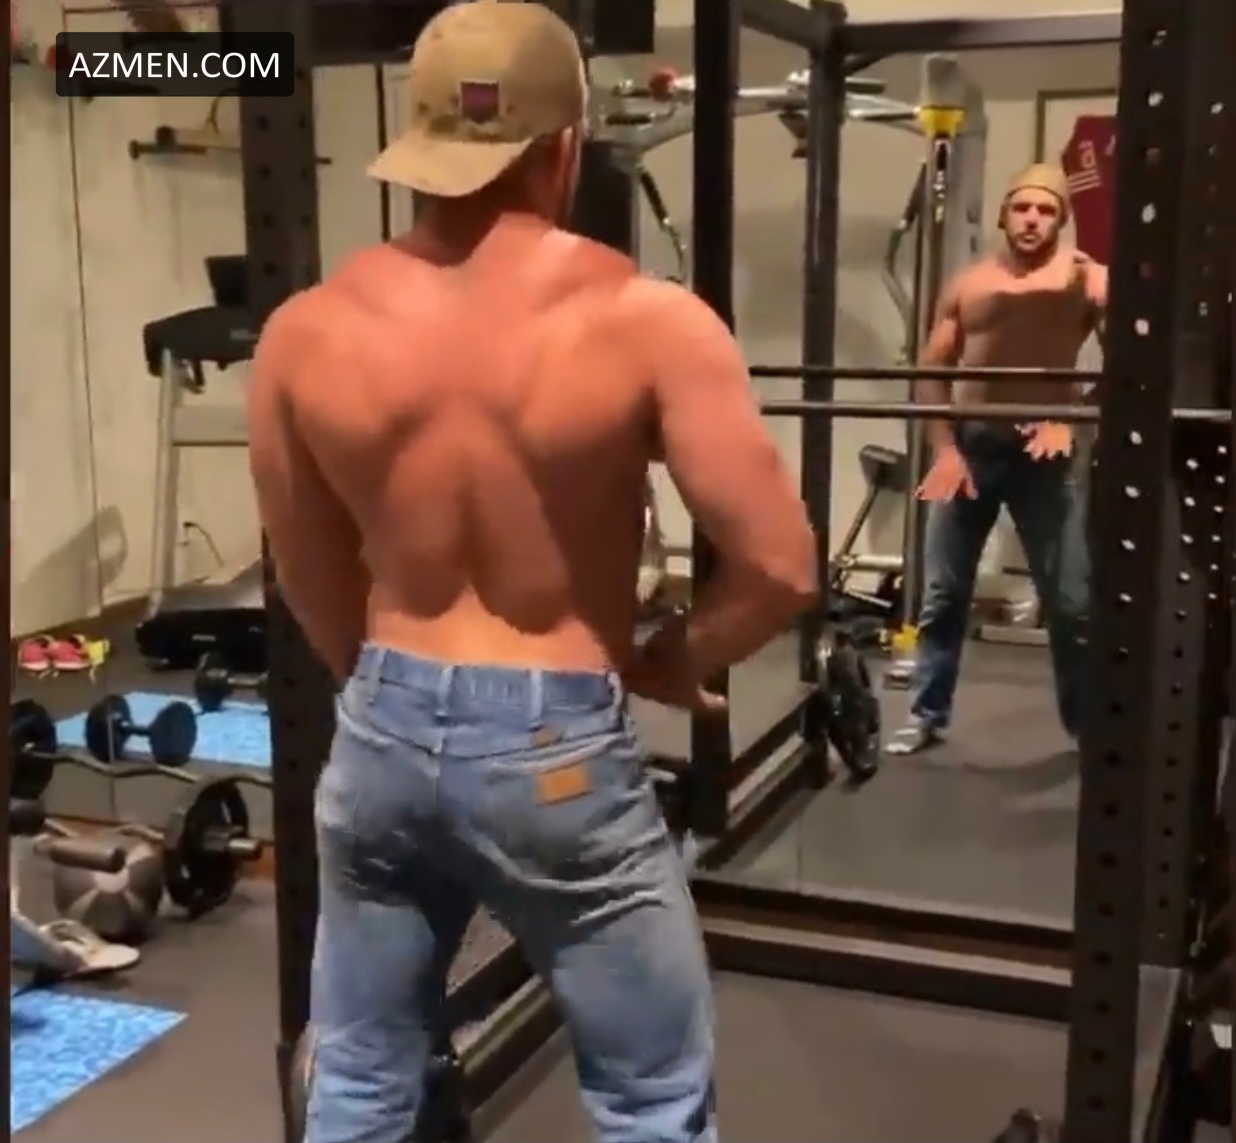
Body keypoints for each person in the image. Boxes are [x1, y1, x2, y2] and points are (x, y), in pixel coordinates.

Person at [245, 4, 817, 1143]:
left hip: (382, 727)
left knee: (358, 1084)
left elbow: (305, 573)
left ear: (415, 146)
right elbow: (781, 566)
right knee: (649, 1098)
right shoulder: (647, 320)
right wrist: (676, 659)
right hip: (558, 745)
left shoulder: (303, 332)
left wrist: (397, 700)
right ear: (565, 148)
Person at [886, 163, 1107, 756]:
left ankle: (1088, 730)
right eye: (1022, 208)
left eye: (1046, 210)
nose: (1032, 219)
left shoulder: (1084, 279)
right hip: (973, 447)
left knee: (1072, 604)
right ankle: (927, 714)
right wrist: (943, 449)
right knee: (942, 595)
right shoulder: (970, 283)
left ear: (1061, 219)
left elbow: (1129, 360)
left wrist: (1072, 417)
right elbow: (931, 371)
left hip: (1043, 453)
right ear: (1006, 215)